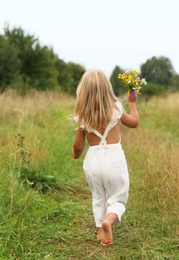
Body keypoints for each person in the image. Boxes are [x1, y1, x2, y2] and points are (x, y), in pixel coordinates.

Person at [71, 70, 139, 247]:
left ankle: (101, 230)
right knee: (118, 196)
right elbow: (134, 122)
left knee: (98, 196)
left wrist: (75, 155)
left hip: (93, 160)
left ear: (83, 91)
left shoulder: (82, 116)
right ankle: (109, 220)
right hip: (114, 159)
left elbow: (78, 146)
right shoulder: (116, 108)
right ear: (107, 89)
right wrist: (132, 103)